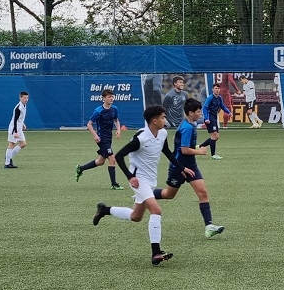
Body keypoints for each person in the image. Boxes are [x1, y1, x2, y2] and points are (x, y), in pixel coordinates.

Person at [93, 104, 190, 265]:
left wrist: (182, 168)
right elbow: (119, 156)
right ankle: (156, 253)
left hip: (150, 180)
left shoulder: (163, 133)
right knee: (156, 211)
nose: (165, 119)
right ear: (154, 120)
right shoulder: (141, 138)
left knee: (136, 216)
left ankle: (104, 210)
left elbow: (166, 151)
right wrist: (130, 176)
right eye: (163, 117)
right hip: (138, 180)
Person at [151, 98, 225, 238]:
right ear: (191, 113)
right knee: (169, 194)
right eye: (198, 111)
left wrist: (196, 150)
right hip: (178, 166)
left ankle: (209, 226)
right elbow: (184, 150)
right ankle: (146, 195)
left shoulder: (191, 124)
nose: (200, 113)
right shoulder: (187, 128)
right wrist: (199, 151)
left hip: (191, 165)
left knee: (203, 192)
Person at [75, 88, 123, 189]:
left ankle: (80, 168)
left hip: (109, 137)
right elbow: (89, 124)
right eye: (109, 97)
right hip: (102, 138)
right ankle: (114, 184)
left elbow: (116, 120)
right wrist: (95, 135)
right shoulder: (98, 111)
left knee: (100, 161)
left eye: (112, 97)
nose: (111, 98)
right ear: (103, 98)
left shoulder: (114, 109)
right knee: (112, 159)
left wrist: (118, 130)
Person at [200, 82, 229, 159]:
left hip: (214, 118)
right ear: (213, 89)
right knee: (214, 136)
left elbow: (222, 106)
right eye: (216, 88)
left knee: (216, 137)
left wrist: (229, 112)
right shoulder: (210, 98)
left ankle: (201, 146)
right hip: (210, 118)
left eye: (218, 88)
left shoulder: (219, 98)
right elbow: (205, 108)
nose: (217, 90)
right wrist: (206, 118)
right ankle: (213, 155)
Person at [4, 91, 30, 168]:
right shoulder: (18, 108)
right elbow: (15, 120)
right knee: (11, 144)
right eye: (24, 98)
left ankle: (9, 157)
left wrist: (22, 123)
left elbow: (19, 118)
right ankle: (7, 163)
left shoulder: (24, 105)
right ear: (20, 98)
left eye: (27, 98)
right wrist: (15, 132)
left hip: (19, 129)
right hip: (14, 129)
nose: (26, 99)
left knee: (23, 144)